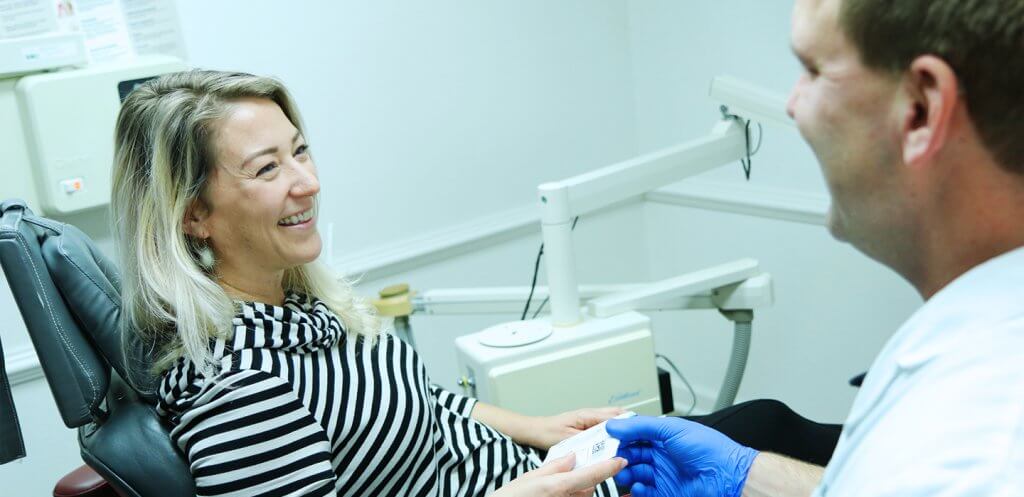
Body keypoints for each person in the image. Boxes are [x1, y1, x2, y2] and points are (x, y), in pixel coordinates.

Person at [110, 70, 623, 497]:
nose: (309, 182)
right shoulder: (243, 393)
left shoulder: (293, 306)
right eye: (267, 168)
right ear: (193, 213)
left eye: (300, 151)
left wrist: (537, 428)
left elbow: (417, 402)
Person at [605, 0, 1024, 495]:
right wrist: (746, 474)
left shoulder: (976, 454)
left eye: (813, 70)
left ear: (921, 109)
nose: (792, 104)